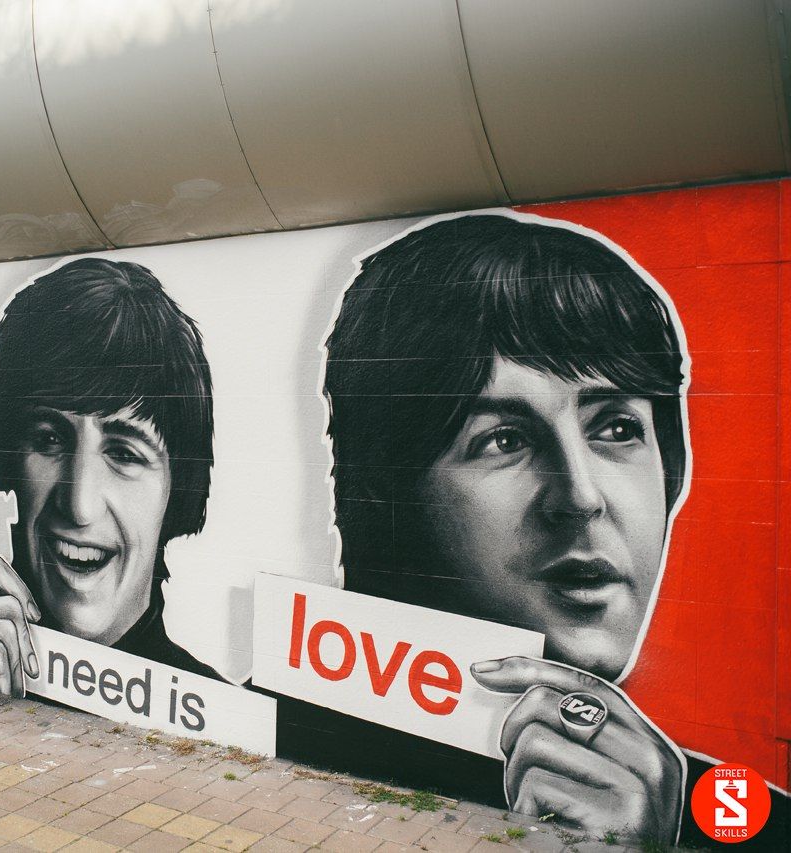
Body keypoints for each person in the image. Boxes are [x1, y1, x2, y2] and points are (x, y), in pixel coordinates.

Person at [311, 212, 784, 847]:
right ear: (385, 491)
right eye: (504, 440)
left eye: (617, 428)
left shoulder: (741, 824)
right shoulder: (292, 752)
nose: (580, 498)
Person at [0, 258, 219, 695]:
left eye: (123, 454)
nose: (79, 505)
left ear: (178, 493)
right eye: (49, 440)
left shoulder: (217, 713)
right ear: (8, 459)